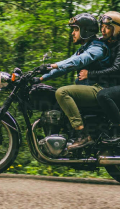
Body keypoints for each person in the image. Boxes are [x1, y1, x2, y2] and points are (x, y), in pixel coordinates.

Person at [36, 13, 110, 151]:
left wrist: (53, 65)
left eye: (75, 29)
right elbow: (65, 67)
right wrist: (39, 78)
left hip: (99, 89)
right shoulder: (83, 49)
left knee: (62, 92)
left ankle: (82, 135)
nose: (72, 33)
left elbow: (81, 60)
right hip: (90, 89)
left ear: (85, 30)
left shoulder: (97, 47)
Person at [78, 11, 120, 146]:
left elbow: (115, 69)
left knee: (103, 95)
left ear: (116, 29)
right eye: (102, 27)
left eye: (107, 27)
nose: (103, 30)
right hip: (115, 85)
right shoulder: (106, 42)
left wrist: (90, 74)